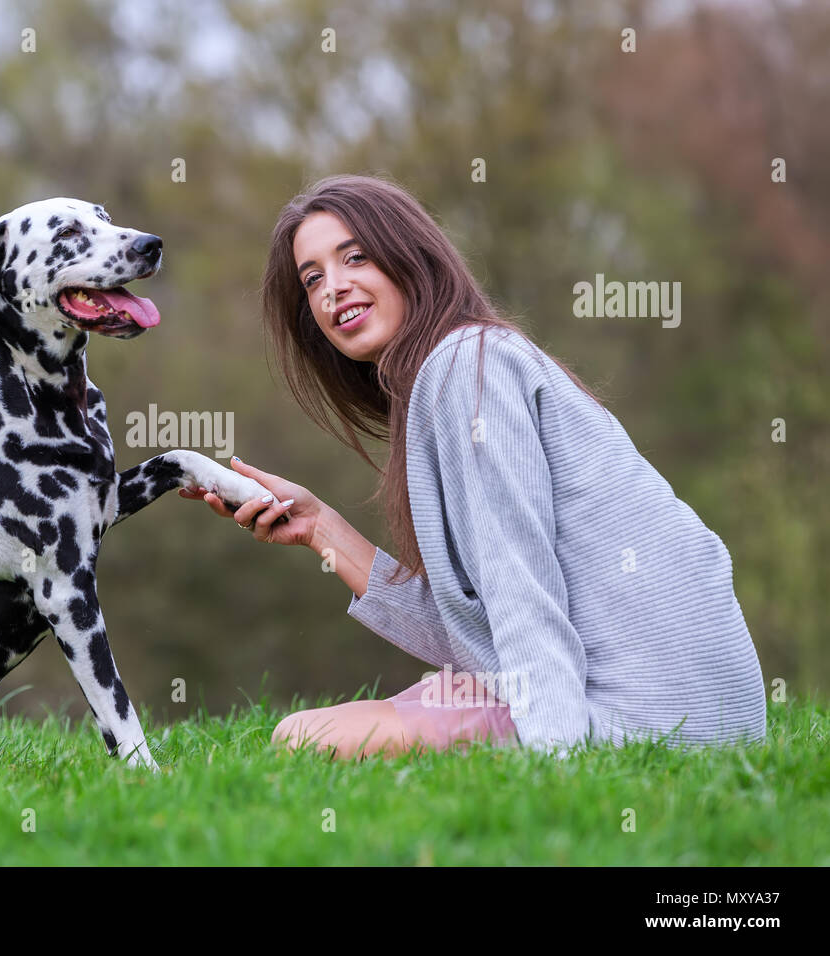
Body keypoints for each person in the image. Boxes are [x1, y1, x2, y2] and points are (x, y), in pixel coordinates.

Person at [179, 173, 767, 761]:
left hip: (648, 719)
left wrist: (562, 765)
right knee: (340, 725)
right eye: (313, 279)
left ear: (408, 255)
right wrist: (320, 529)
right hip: (696, 719)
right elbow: (480, 641)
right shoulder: (460, 367)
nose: (333, 289)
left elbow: (522, 590)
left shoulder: (467, 365)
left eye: (354, 257)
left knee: (306, 738)